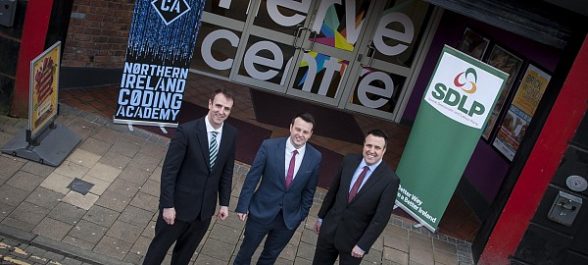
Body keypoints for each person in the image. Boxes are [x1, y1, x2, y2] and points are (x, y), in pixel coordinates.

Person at [142, 89, 237, 265]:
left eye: (227, 108)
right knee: (157, 252)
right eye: (218, 105)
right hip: (177, 209)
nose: (221, 112)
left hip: (203, 213)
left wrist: (224, 203)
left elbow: (227, 170)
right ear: (210, 104)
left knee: (183, 257)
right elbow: (169, 172)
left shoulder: (231, 134)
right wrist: (167, 205)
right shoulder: (187, 131)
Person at [234, 113, 322, 265]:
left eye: (305, 132)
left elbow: (310, 190)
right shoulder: (269, 146)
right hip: (260, 211)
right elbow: (252, 177)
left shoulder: (315, 157)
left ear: (311, 134)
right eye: (297, 129)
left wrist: (301, 215)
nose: (300, 134)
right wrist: (242, 206)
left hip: (288, 219)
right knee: (245, 253)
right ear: (290, 127)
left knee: (269, 258)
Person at [312, 129, 400, 265]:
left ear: (384, 150)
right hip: (329, 230)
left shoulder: (390, 180)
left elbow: (380, 219)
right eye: (369, 145)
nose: (372, 150)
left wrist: (363, 245)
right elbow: (333, 192)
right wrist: (321, 217)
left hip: (354, 242)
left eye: (377, 147)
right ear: (364, 145)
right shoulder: (349, 160)